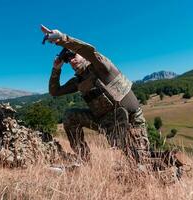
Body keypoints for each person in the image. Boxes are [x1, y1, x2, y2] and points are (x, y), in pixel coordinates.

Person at [41, 25, 151, 166]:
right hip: (104, 122)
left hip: (129, 120)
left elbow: (89, 51)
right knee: (70, 116)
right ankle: (84, 159)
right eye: (68, 60)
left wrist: (62, 39)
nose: (71, 61)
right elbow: (54, 92)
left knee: (140, 163)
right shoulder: (78, 81)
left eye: (73, 55)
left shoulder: (101, 66)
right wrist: (56, 69)